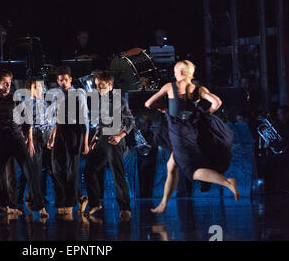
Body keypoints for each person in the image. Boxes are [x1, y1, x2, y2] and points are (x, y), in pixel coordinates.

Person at [145, 60, 238, 214]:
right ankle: (163, 204)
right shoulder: (199, 88)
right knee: (171, 166)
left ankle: (227, 182)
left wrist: (163, 108)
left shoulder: (170, 86)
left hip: (178, 133)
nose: (174, 74)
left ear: (180, 72)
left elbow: (148, 103)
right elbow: (217, 102)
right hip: (192, 131)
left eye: (175, 71)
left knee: (191, 171)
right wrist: (206, 114)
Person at [0, 70, 49, 218]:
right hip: (0, 142)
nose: (8, 85)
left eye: (10, 83)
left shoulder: (15, 99)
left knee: (30, 173)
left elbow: (27, 120)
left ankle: (41, 207)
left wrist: (29, 141)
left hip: (16, 140)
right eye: (5, 83)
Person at [84, 71, 135, 220]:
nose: (98, 88)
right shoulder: (100, 99)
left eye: (101, 85)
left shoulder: (119, 99)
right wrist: (95, 137)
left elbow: (130, 121)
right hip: (102, 140)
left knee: (117, 173)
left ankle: (125, 208)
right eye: (96, 86)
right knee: (89, 170)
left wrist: (120, 136)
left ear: (110, 84)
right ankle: (95, 203)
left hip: (115, 139)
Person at [47, 66, 90, 215]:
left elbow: (85, 118)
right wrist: (52, 137)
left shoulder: (79, 93)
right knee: (56, 168)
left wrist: (85, 142)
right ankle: (76, 197)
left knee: (72, 169)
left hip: (75, 131)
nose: (63, 82)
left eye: (65, 79)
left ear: (70, 79)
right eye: (60, 79)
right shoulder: (56, 95)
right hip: (60, 130)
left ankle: (70, 203)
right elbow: (53, 117)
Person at [18, 77, 53, 207]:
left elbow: (50, 120)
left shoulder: (45, 102)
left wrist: (51, 137)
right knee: (35, 169)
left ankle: (38, 196)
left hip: (46, 136)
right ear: (29, 89)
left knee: (47, 169)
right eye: (35, 88)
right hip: (34, 137)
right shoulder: (26, 104)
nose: (38, 90)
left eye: (40, 87)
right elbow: (28, 124)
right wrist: (30, 140)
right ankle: (32, 199)